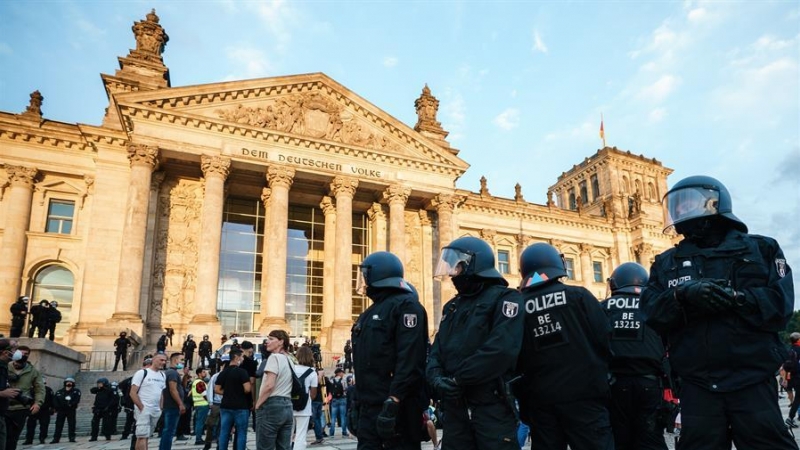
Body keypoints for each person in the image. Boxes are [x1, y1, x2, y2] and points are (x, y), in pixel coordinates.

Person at [641, 175, 797, 450]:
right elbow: (650, 313)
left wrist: (736, 298)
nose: (679, 211)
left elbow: (780, 306)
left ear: (714, 203)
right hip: (697, 384)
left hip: (752, 379)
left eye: (687, 204)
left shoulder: (762, 249)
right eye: (675, 206)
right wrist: (680, 296)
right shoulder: (666, 263)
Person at [426, 236, 524, 450]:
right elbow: (436, 351)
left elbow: (501, 349)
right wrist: (436, 379)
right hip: (455, 410)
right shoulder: (451, 307)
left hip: (491, 407)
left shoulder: (506, 298)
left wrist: (458, 380)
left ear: (473, 264)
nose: (452, 274)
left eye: (457, 266)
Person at [514, 242, 613, 450]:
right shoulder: (580, 296)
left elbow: (513, 356)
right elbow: (605, 338)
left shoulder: (518, 306)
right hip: (585, 396)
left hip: (541, 400)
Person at [351, 251, 429, 450]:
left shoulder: (407, 306)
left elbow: (409, 359)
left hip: (396, 407)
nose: (363, 281)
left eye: (366, 274)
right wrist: (357, 403)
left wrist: (394, 399)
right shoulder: (368, 314)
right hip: (370, 406)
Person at [601, 262, 666, 450]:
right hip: (651, 384)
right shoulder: (655, 306)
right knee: (651, 438)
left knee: (619, 439)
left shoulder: (604, 307)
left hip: (614, 384)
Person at [254, 330, 294, 450]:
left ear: (281, 342)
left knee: (265, 447)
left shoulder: (274, 358)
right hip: (287, 405)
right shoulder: (290, 359)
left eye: (271, 339)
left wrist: (258, 404)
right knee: (284, 447)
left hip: (272, 405)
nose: (267, 341)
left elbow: (269, 385)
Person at [6, 345, 45, 450]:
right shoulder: (5, 366)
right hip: (3, 406)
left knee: (13, 438)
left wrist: (38, 403)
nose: (23, 355)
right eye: (21, 353)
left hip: (20, 408)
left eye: (26, 354)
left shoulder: (33, 371)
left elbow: (40, 389)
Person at [215, 348, 251, 450]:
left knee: (224, 432)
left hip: (226, 405)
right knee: (241, 433)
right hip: (240, 406)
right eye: (242, 357)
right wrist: (238, 392)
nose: (243, 359)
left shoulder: (223, 373)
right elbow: (247, 389)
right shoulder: (242, 372)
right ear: (236, 357)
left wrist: (228, 392)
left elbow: (217, 389)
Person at [130, 353, 167, 450]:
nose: (163, 362)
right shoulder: (142, 373)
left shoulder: (163, 375)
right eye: (161, 360)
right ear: (154, 359)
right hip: (144, 409)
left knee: (146, 436)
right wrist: (142, 408)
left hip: (155, 409)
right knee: (141, 435)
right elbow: (133, 392)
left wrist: (160, 408)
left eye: (165, 360)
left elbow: (161, 392)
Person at [291, 346, 318, 450]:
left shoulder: (292, 369)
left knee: (286, 435)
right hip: (304, 407)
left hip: (289, 405)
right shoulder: (312, 372)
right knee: (300, 436)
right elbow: (313, 394)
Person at [160, 352, 187, 450]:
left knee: (168, 430)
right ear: (175, 360)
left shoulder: (171, 372)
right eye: (182, 360)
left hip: (171, 405)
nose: (183, 362)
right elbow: (173, 389)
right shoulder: (172, 373)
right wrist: (180, 404)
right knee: (169, 431)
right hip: (172, 406)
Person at [0, 339, 23, 450]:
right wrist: (2, 393)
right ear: (5, 352)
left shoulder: (4, 367)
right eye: (15, 348)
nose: (18, 352)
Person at [202, 355, 227, 450]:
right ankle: (208, 443)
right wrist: (210, 403)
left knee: (223, 426)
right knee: (210, 425)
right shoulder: (216, 376)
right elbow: (210, 390)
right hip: (216, 404)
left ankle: (220, 444)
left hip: (225, 404)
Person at [23, 376, 53, 445]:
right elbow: (27, 400)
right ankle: (29, 440)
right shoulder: (31, 390)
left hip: (44, 410)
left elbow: (52, 400)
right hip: (33, 410)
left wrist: (52, 408)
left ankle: (42, 439)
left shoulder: (48, 390)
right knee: (30, 426)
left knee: (44, 426)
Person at [50, 377, 80, 444]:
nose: (69, 383)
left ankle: (72, 437)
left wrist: (71, 404)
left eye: (70, 382)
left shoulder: (76, 391)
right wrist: (57, 407)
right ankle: (56, 438)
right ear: (65, 383)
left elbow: (76, 400)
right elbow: (55, 400)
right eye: (67, 382)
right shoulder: (59, 392)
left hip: (71, 410)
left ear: (73, 383)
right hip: (61, 410)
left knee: (72, 424)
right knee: (58, 424)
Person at [191, 368, 210, 445]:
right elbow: (204, 393)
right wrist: (209, 402)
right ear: (199, 373)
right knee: (200, 422)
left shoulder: (196, 382)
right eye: (203, 372)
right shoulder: (200, 382)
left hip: (198, 404)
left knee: (199, 422)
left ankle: (198, 438)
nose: (205, 373)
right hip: (202, 404)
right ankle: (198, 439)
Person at [327, 369, 348, 438]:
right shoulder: (343, 380)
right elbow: (345, 389)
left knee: (333, 417)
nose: (343, 374)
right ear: (339, 373)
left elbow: (330, 390)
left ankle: (331, 433)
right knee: (343, 416)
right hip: (342, 399)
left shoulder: (331, 380)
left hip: (334, 400)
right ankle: (344, 432)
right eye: (342, 373)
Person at [785, 333, 800, 427]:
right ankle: (790, 417)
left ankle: (791, 417)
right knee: (798, 398)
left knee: (798, 397)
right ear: (798, 340)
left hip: (792, 377)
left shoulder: (789, 349)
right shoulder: (799, 349)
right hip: (799, 377)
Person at [310, 369, 326, 445]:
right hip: (319, 400)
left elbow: (316, 383)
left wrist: (320, 375)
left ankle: (319, 437)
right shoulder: (320, 377)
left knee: (315, 419)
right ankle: (320, 437)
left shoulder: (316, 377)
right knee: (317, 419)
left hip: (315, 400)